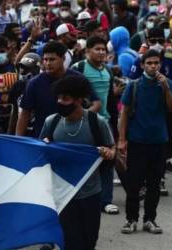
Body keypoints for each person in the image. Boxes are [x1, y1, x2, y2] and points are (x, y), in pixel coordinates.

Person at [40, 75, 115, 250]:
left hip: (90, 193)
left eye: (65, 98)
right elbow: (41, 153)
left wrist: (107, 152)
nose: (60, 102)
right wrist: (46, 146)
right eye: (58, 98)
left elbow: (111, 149)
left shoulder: (97, 123)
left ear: (79, 100)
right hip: (63, 194)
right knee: (71, 241)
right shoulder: (52, 122)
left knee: (89, 240)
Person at [119, 50, 172, 234]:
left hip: (159, 141)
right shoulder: (134, 85)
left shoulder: (165, 83)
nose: (153, 66)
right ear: (143, 65)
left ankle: (150, 219)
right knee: (134, 184)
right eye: (150, 63)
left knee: (154, 183)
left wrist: (166, 88)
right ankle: (131, 219)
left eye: (156, 63)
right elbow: (124, 113)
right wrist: (121, 139)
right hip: (137, 141)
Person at [71, 36, 120, 215]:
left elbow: (111, 98)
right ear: (87, 51)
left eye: (103, 50)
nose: (101, 52)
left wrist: (114, 122)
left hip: (104, 121)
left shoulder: (108, 70)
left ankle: (105, 201)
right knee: (84, 160)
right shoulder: (78, 69)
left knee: (107, 161)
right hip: (84, 122)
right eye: (97, 49)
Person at [16, 41, 101, 138]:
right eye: (45, 59)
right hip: (44, 140)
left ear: (63, 58)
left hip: (73, 137)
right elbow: (25, 114)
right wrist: (19, 140)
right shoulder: (34, 83)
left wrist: (80, 118)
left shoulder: (78, 79)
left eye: (52, 59)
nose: (48, 63)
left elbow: (96, 103)